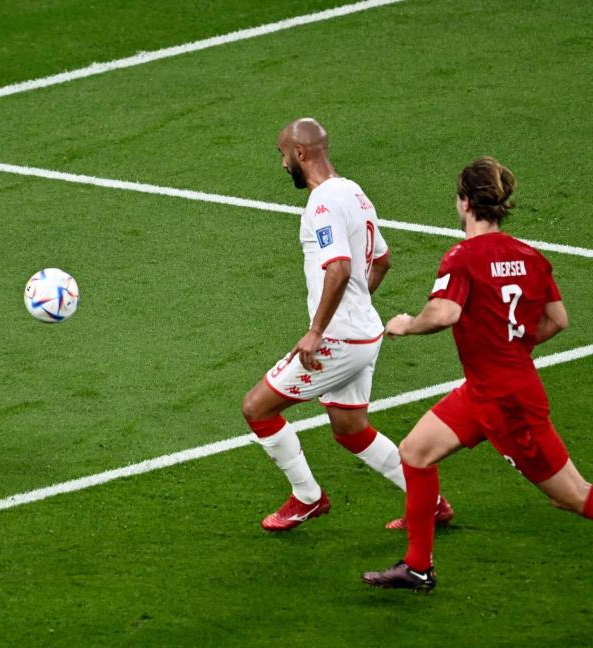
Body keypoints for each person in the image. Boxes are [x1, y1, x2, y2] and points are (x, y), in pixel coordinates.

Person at [362, 157, 592, 592]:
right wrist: (512, 346)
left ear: (464, 202)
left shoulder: (462, 258)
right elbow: (557, 320)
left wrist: (406, 323)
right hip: (486, 390)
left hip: (509, 404)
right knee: (415, 452)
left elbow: (445, 313)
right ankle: (417, 567)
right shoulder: (532, 257)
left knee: (573, 496)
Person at [242, 118, 452, 531]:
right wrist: (356, 306)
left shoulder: (322, 204)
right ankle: (432, 503)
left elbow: (337, 268)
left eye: (284, 154)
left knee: (257, 408)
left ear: (300, 154)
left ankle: (308, 497)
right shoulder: (355, 193)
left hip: (338, 339)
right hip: (365, 332)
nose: (284, 164)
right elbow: (383, 260)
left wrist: (318, 329)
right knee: (350, 428)